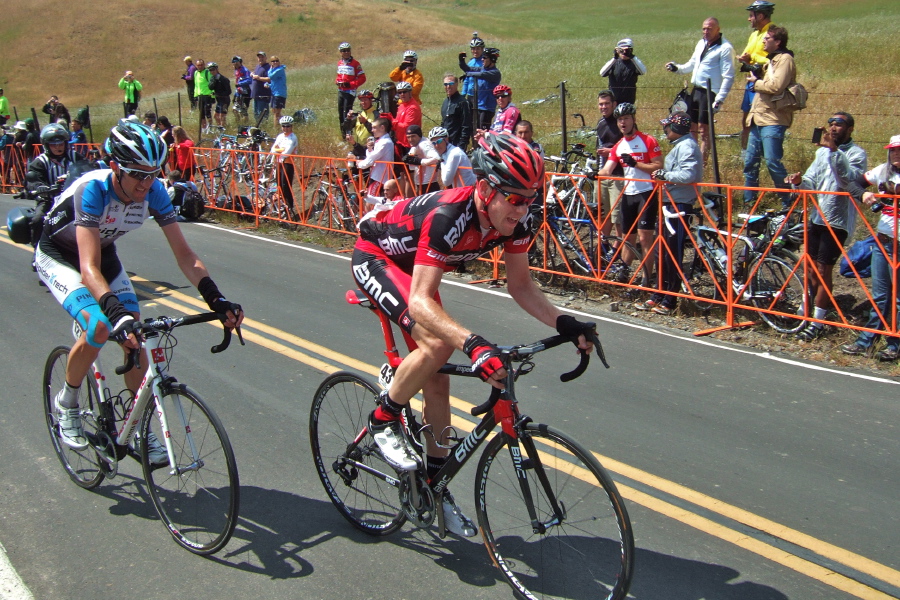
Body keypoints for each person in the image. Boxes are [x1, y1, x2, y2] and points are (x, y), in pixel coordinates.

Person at [351, 133, 597, 537]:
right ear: (484, 189)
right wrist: (476, 345)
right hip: (378, 256)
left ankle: (435, 487)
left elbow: (520, 286)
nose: (523, 208)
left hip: (417, 267)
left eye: (531, 197)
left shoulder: (520, 219)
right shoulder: (452, 214)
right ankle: (383, 417)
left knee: (439, 378)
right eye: (514, 198)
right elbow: (419, 302)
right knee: (439, 344)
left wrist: (564, 323)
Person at [35, 120, 243, 453]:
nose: (147, 183)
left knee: (136, 339)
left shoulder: (155, 191)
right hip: (61, 255)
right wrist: (115, 312)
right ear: (116, 167)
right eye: (139, 174)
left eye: (154, 173)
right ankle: (67, 402)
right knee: (101, 326)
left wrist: (216, 298)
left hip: (104, 256)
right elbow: (87, 267)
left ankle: (136, 426)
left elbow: (185, 256)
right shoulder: (93, 190)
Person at [786, 112, 867, 342]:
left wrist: (834, 151)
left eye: (839, 124)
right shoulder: (821, 152)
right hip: (817, 218)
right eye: (830, 124)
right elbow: (813, 180)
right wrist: (799, 182)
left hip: (838, 221)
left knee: (824, 270)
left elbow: (847, 181)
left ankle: (818, 320)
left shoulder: (856, 154)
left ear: (850, 129)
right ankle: (809, 310)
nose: (832, 128)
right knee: (810, 267)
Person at [841, 135, 900, 361]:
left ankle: (894, 344)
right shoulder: (883, 171)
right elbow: (853, 182)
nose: (895, 154)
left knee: (898, 299)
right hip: (883, 241)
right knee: (880, 295)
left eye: (899, 150)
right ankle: (867, 340)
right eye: (892, 150)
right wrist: (864, 193)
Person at [644, 112, 703, 315]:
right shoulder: (681, 146)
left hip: (679, 205)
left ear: (676, 128)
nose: (665, 130)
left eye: (667, 127)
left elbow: (689, 174)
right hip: (669, 203)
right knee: (662, 251)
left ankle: (671, 298)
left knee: (672, 253)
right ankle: (660, 293)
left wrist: (664, 175)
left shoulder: (687, 146)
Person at [597, 102, 663, 280]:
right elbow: (607, 170)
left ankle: (646, 279)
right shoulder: (619, 145)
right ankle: (624, 274)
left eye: (626, 118)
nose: (622, 123)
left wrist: (636, 163)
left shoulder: (648, 140)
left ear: (633, 119)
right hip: (628, 195)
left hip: (646, 194)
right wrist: (594, 174)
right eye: (619, 120)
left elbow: (658, 165)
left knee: (645, 239)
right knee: (627, 239)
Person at [665, 18, 735, 164]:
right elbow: (692, 64)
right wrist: (677, 68)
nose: (706, 31)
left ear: (718, 29)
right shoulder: (701, 43)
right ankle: (692, 159)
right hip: (696, 90)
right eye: (704, 28)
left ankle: (702, 163)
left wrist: (719, 99)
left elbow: (728, 76)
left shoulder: (725, 48)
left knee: (704, 129)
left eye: (709, 28)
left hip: (709, 92)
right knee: (691, 127)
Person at [743, 25, 795, 207]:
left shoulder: (785, 59)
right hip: (758, 117)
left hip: (773, 119)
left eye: (767, 38)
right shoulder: (771, 60)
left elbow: (776, 87)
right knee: (750, 162)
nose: (764, 41)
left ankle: (789, 200)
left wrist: (756, 82)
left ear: (778, 42)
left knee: (772, 161)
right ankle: (749, 202)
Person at [26, 123, 85, 248]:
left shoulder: (75, 157)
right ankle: (38, 251)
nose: (58, 147)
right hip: (50, 198)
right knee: (38, 219)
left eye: (61, 143)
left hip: (76, 198)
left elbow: (88, 169)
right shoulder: (40, 162)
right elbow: (32, 180)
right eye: (54, 144)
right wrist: (39, 187)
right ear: (47, 145)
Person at [738, 1, 775, 151]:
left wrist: (753, 60)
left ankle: (758, 151)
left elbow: (774, 59)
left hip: (762, 81)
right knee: (746, 120)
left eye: (751, 15)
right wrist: (745, 59)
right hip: (750, 81)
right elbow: (750, 54)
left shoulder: (772, 33)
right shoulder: (755, 34)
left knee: (758, 120)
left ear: (760, 15)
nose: (749, 19)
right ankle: (745, 152)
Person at [595, 90, 625, 238]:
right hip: (602, 173)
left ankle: (620, 246)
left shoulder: (622, 122)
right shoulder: (600, 123)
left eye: (607, 103)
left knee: (617, 216)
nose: (603, 107)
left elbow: (631, 145)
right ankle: (603, 245)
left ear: (614, 104)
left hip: (618, 175)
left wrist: (612, 151)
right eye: (601, 104)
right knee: (604, 214)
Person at [350, 117, 394, 208]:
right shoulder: (381, 141)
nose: (372, 130)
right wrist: (369, 149)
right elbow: (372, 156)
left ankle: (372, 221)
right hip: (376, 175)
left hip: (380, 177)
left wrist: (360, 164)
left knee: (370, 202)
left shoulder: (385, 142)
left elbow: (371, 159)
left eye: (374, 127)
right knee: (371, 201)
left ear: (382, 128)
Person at [459, 47, 501, 130]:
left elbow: (481, 75)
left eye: (484, 57)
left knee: (482, 133)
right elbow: (468, 69)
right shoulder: (482, 69)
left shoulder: (495, 73)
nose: (482, 59)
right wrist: (461, 60)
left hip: (486, 108)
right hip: (477, 106)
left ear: (492, 59)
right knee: (474, 130)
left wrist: (468, 74)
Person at [600, 39, 647, 105]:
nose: (624, 52)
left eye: (627, 50)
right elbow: (602, 73)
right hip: (614, 100)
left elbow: (643, 71)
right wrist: (615, 58)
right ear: (618, 51)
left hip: (629, 100)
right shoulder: (614, 62)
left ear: (631, 50)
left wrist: (631, 56)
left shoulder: (634, 63)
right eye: (621, 50)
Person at [335, 42, 367, 133]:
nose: (346, 52)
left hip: (350, 92)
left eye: (348, 50)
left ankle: (349, 134)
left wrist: (351, 84)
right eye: (344, 51)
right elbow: (339, 76)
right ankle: (344, 136)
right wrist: (337, 81)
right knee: (341, 114)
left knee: (347, 114)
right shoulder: (340, 63)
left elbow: (362, 78)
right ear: (340, 52)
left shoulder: (355, 64)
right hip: (341, 91)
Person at [401, 125, 441, 194]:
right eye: (408, 137)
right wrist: (408, 159)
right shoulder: (417, 143)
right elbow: (412, 158)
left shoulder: (424, 144)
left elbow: (437, 158)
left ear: (419, 136)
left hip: (429, 184)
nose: (410, 139)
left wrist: (420, 161)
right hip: (423, 183)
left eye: (413, 136)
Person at [271, 115, 299, 216]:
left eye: (287, 126)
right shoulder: (280, 136)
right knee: (278, 186)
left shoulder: (293, 137)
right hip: (279, 162)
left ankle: (290, 209)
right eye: (283, 126)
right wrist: (280, 150)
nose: (285, 128)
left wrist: (279, 150)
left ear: (291, 126)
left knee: (286, 187)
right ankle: (281, 208)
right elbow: (272, 150)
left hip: (288, 163)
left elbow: (287, 152)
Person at [343, 89, 377, 159]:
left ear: (371, 100)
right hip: (357, 146)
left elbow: (378, 132)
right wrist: (348, 119)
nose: (363, 102)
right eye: (361, 100)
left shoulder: (376, 114)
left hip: (370, 148)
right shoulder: (359, 114)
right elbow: (346, 127)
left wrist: (366, 122)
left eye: (365, 100)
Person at [440, 74, 471, 151]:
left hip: (457, 144)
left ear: (457, 84)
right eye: (446, 84)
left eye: (451, 84)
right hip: (445, 143)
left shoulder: (463, 102)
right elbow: (443, 123)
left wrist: (462, 145)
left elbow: (466, 125)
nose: (448, 86)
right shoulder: (445, 102)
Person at [460, 33, 484, 113]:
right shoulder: (471, 62)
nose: (475, 51)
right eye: (473, 49)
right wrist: (463, 94)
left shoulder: (484, 62)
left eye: (478, 49)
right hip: (470, 95)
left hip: (480, 95)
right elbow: (467, 79)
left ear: (482, 49)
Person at [208, 62, 233, 128]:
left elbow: (229, 91)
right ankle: (220, 128)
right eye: (210, 70)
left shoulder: (224, 79)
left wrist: (218, 94)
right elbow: (210, 87)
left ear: (217, 69)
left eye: (213, 69)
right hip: (219, 101)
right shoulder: (213, 78)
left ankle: (223, 129)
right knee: (215, 116)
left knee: (222, 116)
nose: (212, 71)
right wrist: (214, 81)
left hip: (225, 100)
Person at [193, 59, 213, 133]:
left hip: (207, 95)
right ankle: (204, 128)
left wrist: (213, 96)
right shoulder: (195, 73)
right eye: (198, 65)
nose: (200, 67)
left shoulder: (207, 72)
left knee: (208, 112)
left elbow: (212, 84)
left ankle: (210, 128)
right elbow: (196, 85)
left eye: (201, 65)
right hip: (200, 96)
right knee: (201, 114)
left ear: (204, 65)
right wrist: (195, 96)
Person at [250, 51, 271, 121]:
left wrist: (258, 78)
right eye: (259, 57)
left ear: (266, 58)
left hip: (263, 95)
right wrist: (252, 74)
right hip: (256, 95)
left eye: (262, 57)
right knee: (256, 115)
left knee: (262, 114)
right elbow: (256, 75)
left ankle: (264, 127)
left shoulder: (268, 67)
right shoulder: (258, 66)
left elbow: (269, 79)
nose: (260, 59)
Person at [232, 56, 252, 123]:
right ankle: (238, 124)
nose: (235, 64)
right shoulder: (236, 71)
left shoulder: (245, 70)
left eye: (237, 63)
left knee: (243, 111)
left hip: (245, 92)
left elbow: (249, 80)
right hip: (238, 93)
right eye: (234, 63)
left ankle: (245, 125)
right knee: (235, 110)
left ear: (240, 62)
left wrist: (240, 83)